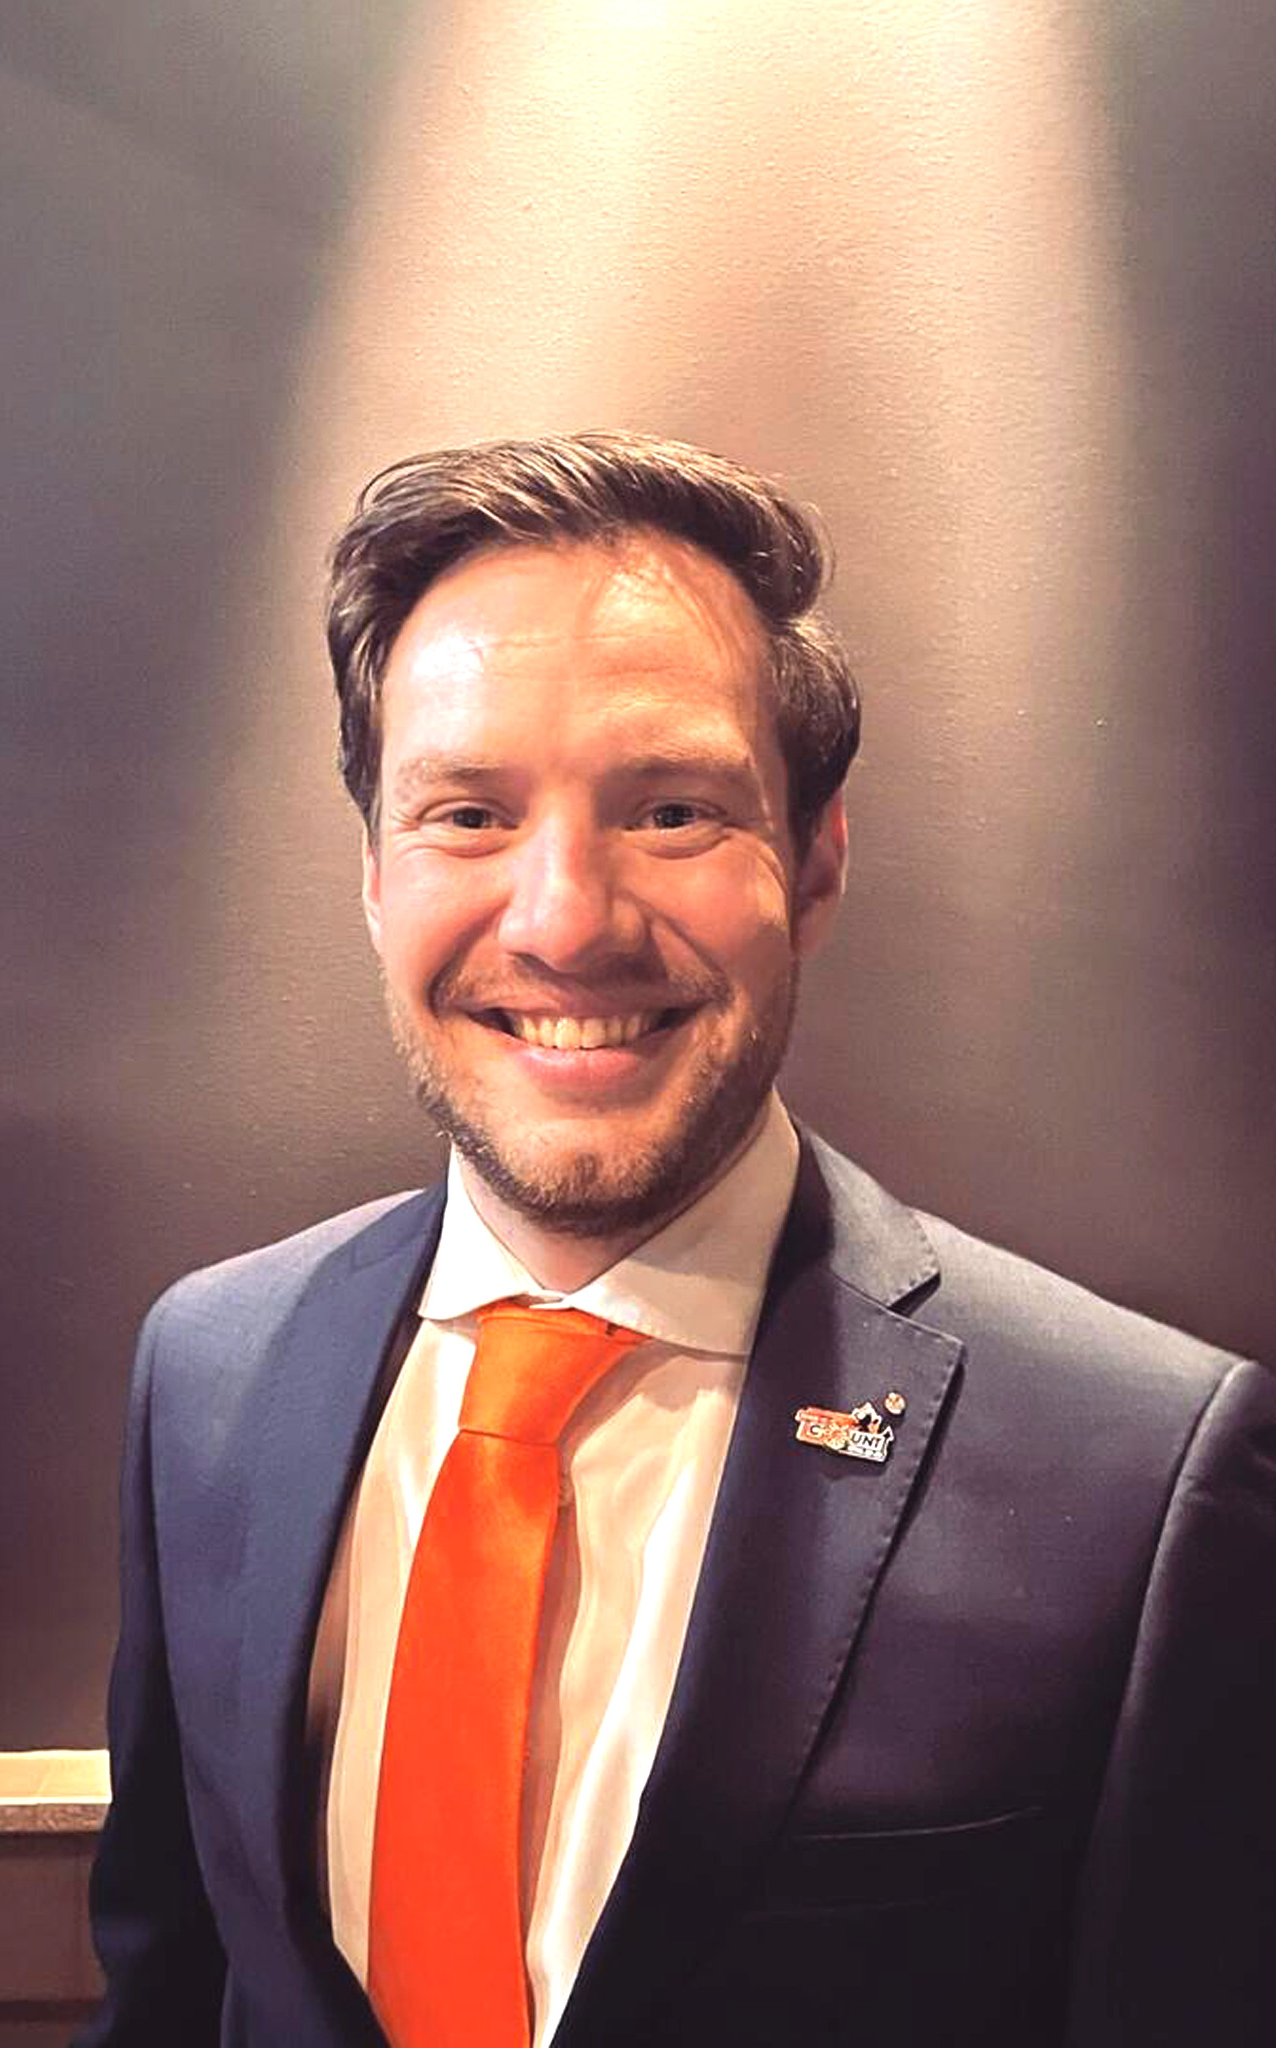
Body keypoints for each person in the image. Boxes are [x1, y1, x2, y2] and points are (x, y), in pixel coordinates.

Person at [79, 433, 1276, 2048]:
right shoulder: (210, 1372)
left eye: (670, 811)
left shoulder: (1143, 1476)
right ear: (373, 875)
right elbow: (168, 1988)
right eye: (467, 814)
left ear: (817, 863)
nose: (566, 920)